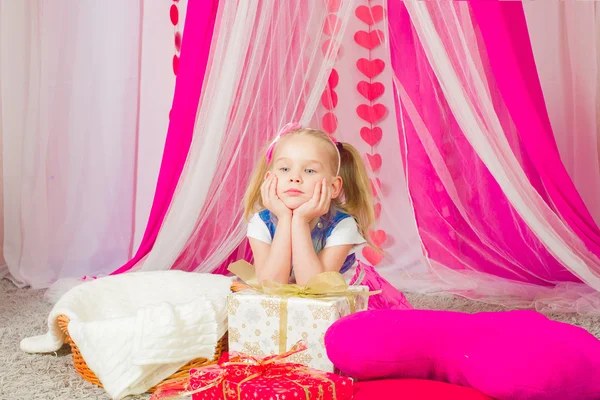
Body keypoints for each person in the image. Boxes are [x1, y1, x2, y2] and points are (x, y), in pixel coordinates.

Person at [242, 123, 412, 310]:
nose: (295, 178)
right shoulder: (261, 223)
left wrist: (299, 221)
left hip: (338, 302)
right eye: (284, 169)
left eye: (309, 171)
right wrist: (284, 219)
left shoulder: (343, 225)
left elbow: (314, 288)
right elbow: (270, 286)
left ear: (333, 187)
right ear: (268, 180)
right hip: (300, 310)